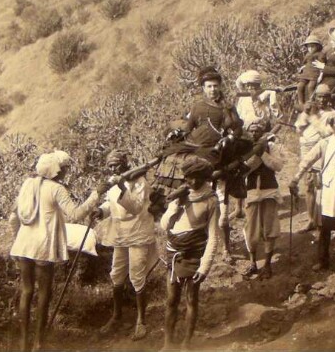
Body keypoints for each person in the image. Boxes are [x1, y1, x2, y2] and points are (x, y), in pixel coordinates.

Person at [9, 151, 101, 351]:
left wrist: (17, 239)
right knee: (44, 293)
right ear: (58, 170)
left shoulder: (28, 184)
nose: (66, 172)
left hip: (23, 244)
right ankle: (39, 342)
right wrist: (95, 196)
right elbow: (76, 214)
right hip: (42, 246)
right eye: (65, 168)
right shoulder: (57, 189)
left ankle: (24, 343)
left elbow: (13, 217)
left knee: (26, 291)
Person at [290, 111, 335, 274]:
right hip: (328, 190)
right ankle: (323, 260)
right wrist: (295, 178)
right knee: (325, 226)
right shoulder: (324, 143)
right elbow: (307, 160)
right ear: (331, 125)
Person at [160, 157, 220, 351]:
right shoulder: (180, 196)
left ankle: (186, 343)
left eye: (197, 178)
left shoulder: (210, 200)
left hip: (195, 252)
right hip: (173, 250)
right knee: (171, 300)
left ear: (204, 177)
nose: (192, 182)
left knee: (191, 299)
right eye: (188, 178)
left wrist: (205, 266)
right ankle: (168, 343)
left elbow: (212, 236)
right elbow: (164, 225)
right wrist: (176, 205)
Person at [96, 149, 155, 341]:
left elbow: (137, 207)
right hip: (120, 234)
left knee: (137, 275)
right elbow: (110, 205)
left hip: (138, 232)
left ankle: (141, 321)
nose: (113, 168)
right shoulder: (115, 183)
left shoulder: (139, 182)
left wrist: (121, 186)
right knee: (116, 273)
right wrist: (100, 212)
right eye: (110, 165)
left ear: (125, 164)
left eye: (116, 164)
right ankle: (117, 316)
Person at [186, 66, 243, 261]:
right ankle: (202, 248)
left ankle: (226, 249)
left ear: (220, 87)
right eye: (209, 86)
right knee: (198, 207)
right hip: (201, 164)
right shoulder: (197, 107)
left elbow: (237, 130)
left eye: (216, 86)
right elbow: (188, 129)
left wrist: (229, 138)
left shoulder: (227, 107)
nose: (213, 90)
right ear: (203, 87)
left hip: (221, 164)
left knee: (223, 213)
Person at [233, 69, 280, 219]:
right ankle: (239, 207)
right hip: (246, 137)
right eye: (248, 86)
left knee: (264, 167)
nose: (251, 89)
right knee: (242, 169)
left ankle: (264, 199)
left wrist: (269, 134)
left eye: (254, 86)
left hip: (263, 137)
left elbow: (279, 120)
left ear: (260, 86)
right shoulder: (243, 101)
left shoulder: (268, 99)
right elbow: (238, 121)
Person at [241, 121, 284, 279]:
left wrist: (263, 153)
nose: (254, 134)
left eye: (257, 131)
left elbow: (278, 166)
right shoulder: (244, 149)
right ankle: (252, 263)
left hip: (269, 191)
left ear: (262, 133)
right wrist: (254, 155)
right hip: (251, 192)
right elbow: (243, 171)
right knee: (251, 229)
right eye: (251, 131)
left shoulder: (271, 147)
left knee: (269, 228)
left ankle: (267, 264)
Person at [294, 84, 335, 232]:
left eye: (325, 97)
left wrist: (313, 117)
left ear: (329, 98)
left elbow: (326, 133)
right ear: (315, 97)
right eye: (319, 96)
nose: (322, 100)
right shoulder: (310, 111)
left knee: (321, 185)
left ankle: (323, 221)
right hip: (306, 148)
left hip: (321, 150)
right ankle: (311, 219)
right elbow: (298, 127)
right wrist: (306, 113)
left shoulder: (332, 114)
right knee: (309, 185)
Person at [296, 35, 326, 109]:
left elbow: (322, 65)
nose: (310, 48)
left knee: (311, 87)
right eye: (308, 47)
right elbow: (305, 63)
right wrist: (302, 67)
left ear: (317, 46)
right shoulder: (307, 55)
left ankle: (311, 103)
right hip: (306, 73)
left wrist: (321, 75)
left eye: (312, 46)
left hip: (314, 74)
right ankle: (301, 103)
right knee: (300, 86)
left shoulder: (320, 54)